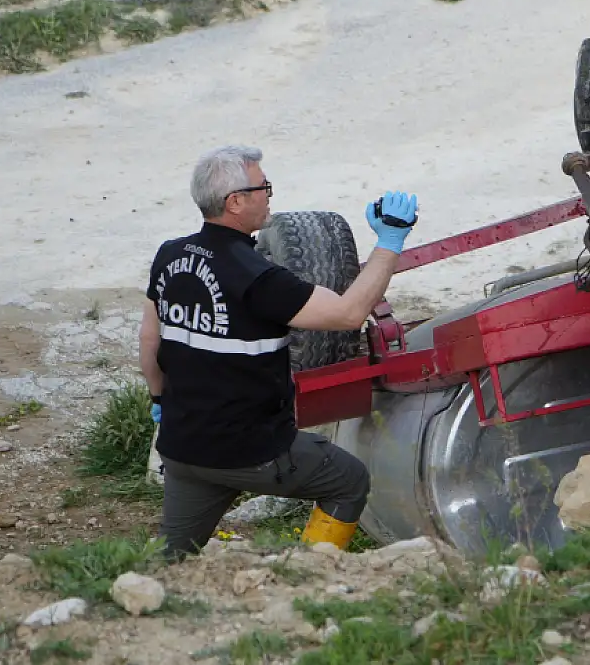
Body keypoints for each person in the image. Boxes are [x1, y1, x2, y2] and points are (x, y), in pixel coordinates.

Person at [138, 144, 418, 558]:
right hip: (251, 450)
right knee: (349, 480)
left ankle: (141, 600)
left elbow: (150, 342)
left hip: (184, 446)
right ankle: (305, 575)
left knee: (170, 556)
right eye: (263, 186)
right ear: (236, 202)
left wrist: (159, 399)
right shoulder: (259, 278)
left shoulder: (170, 255)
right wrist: (389, 241)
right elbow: (348, 314)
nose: (270, 194)